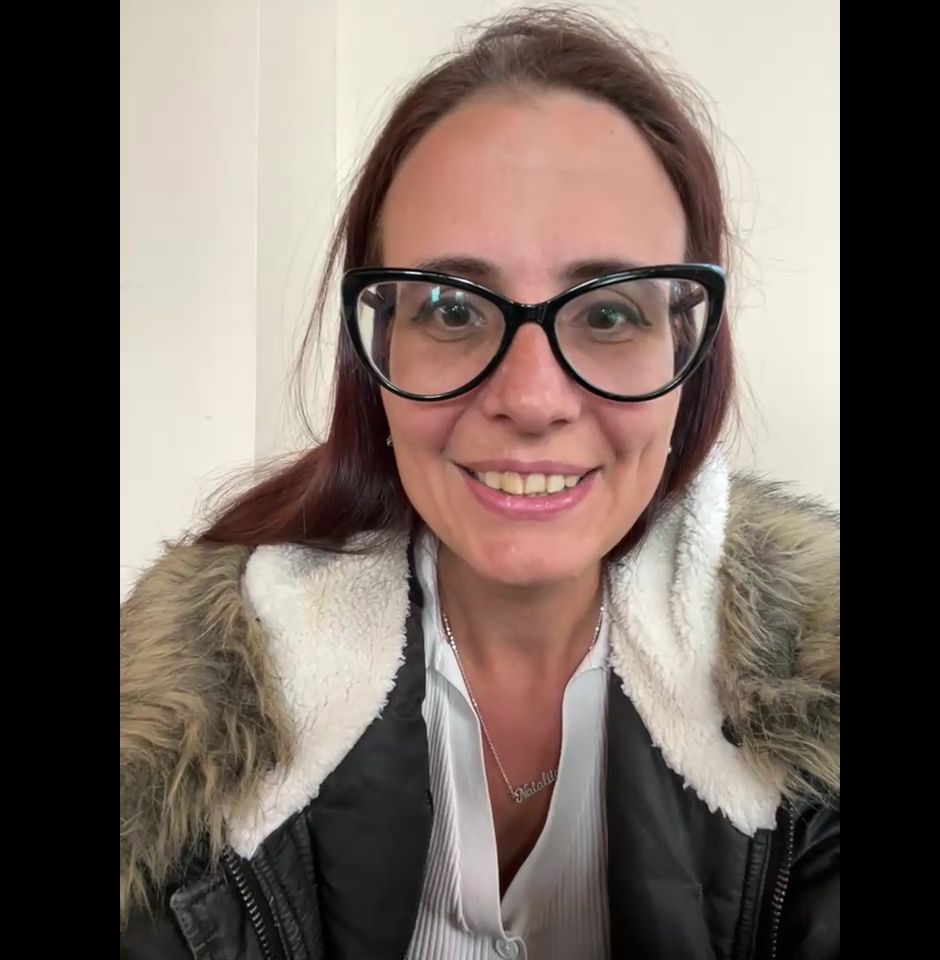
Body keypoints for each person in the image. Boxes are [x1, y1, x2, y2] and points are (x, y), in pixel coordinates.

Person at [120, 7, 839, 958]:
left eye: (610, 314)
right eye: (452, 309)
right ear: (377, 353)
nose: (532, 399)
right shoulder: (186, 722)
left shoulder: (815, 689)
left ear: (686, 353)